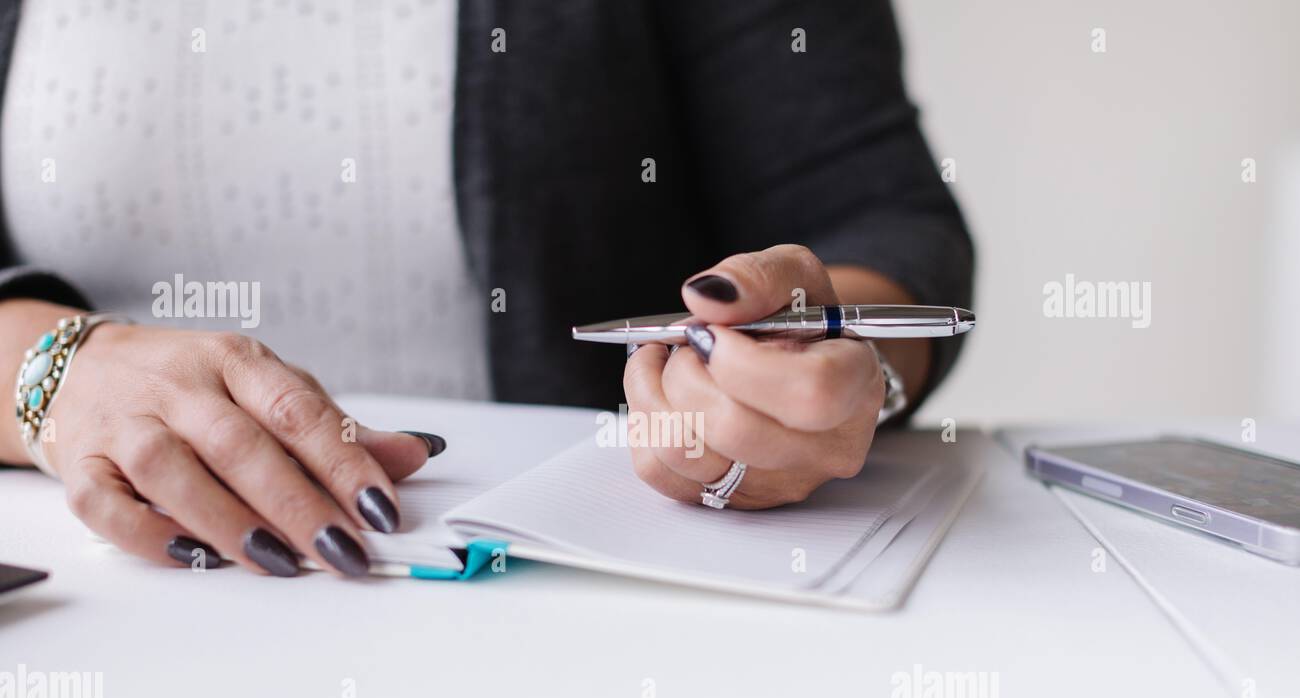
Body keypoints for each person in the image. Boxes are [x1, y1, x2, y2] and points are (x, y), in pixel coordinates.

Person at [0, 0, 972, 578]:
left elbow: (878, 213)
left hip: (579, 604)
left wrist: (824, 379)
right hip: (103, 601)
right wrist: (45, 373)